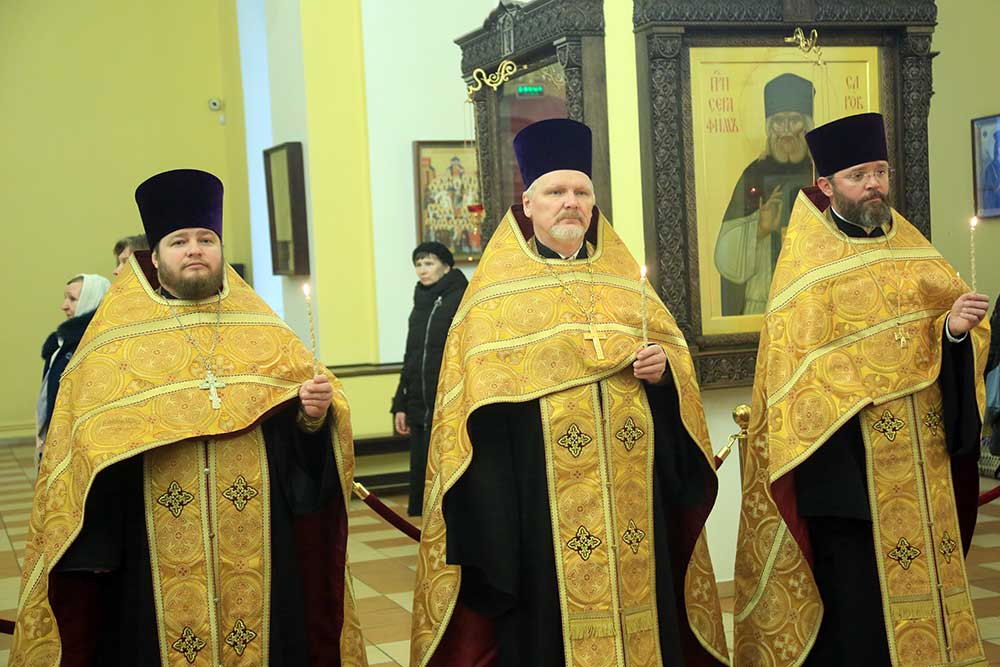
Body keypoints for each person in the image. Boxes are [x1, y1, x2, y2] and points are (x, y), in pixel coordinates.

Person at [13, 169, 367, 666]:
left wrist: (311, 419)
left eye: (206, 239)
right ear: (155, 257)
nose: (195, 250)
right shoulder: (113, 346)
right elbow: (82, 458)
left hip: (260, 547)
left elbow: (301, 458)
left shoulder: (265, 334)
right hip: (151, 553)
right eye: (179, 241)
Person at [411, 119, 728, 667]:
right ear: (528, 204)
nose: (570, 203)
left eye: (581, 192)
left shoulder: (626, 284)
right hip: (537, 505)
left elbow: (672, 372)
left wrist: (663, 374)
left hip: (634, 499)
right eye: (556, 192)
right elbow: (470, 411)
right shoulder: (494, 297)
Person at [733, 113, 992, 665]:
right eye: (858, 175)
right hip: (851, 481)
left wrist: (953, 332)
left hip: (924, 471)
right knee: (860, 618)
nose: (874, 184)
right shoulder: (808, 270)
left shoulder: (914, 252)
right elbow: (793, 377)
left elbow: (942, 342)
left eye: (880, 171)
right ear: (826, 186)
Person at [714, 73, 816, 315]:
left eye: (794, 120)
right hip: (763, 301)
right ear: (770, 127)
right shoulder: (754, 174)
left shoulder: (820, 173)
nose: (787, 130)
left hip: (812, 300)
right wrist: (759, 229)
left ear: (807, 125)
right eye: (779, 122)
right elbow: (724, 254)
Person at [392, 242, 468, 516]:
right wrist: (400, 403)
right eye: (418, 264)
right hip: (419, 405)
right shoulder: (421, 301)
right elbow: (411, 355)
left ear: (446, 266)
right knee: (422, 476)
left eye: (429, 263)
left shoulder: (460, 297)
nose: (422, 270)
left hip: (448, 404)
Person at [36, 273, 111, 460]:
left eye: (72, 299)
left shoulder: (99, 346)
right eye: (65, 298)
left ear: (92, 300)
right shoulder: (61, 343)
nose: (64, 306)